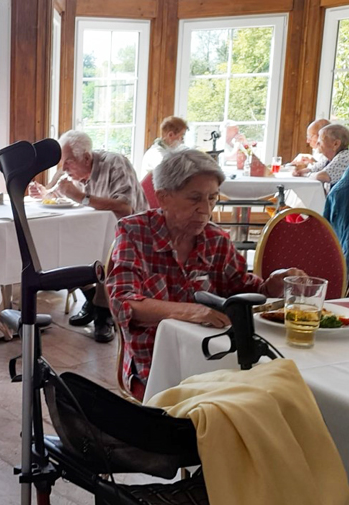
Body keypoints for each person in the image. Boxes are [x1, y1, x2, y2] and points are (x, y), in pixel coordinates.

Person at [107, 150, 304, 401]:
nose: (206, 209)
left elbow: (243, 289)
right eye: (195, 199)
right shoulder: (134, 231)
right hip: (154, 361)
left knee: (273, 393)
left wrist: (273, 285)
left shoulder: (215, 239)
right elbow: (123, 302)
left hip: (213, 356)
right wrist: (189, 311)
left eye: (212, 198)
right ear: (164, 198)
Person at [29, 130, 149, 342]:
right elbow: (55, 194)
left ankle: (103, 315)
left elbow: (125, 207)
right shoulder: (72, 172)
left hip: (133, 234)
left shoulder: (115, 164)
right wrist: (42, 192)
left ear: (86, 157)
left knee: (103, 252)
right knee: (63, 251)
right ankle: (94, 302)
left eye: (68, 163)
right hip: (95, 232)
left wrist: (81, 197)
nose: (63, 168)